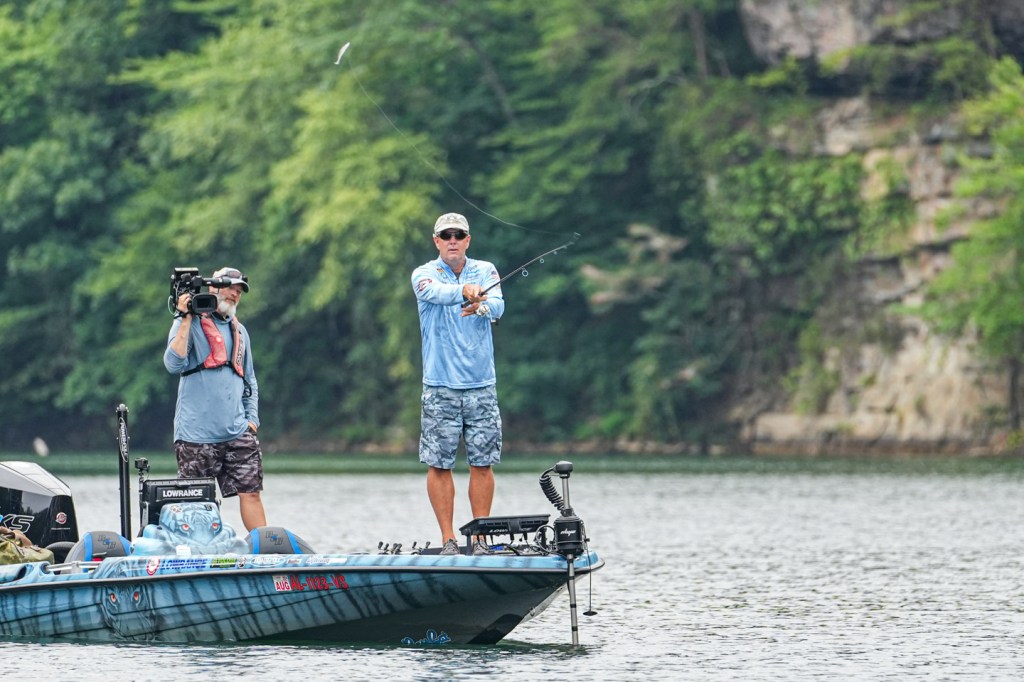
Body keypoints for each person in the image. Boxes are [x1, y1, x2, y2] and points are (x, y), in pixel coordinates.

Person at [411, 213, 505, 556]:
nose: (453, 240)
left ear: (468, 240)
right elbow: (435, 294)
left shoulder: (486, 270)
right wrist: (463, 291)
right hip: (440, 387)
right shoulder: (423, 274)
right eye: (446, 235)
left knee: (482, 462)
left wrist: (480, 306)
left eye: (459, 235)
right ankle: (448, 539)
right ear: (436, 241)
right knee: (439, 464)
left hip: (482, 385)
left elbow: (498, 306)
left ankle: (479, 539)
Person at [163, 266, 267, 531]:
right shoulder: (188, 321)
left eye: (239, 291)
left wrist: (252, 420)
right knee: (196, 502)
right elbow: (173, 364)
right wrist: (185, 317)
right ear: (213, 288)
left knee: (251, 493)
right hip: (196, 435)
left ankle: (264, 548)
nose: (235, 294)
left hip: (238, 431)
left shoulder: (240, 331)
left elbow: (250, 380)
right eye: (231, 288)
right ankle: (196, 547)